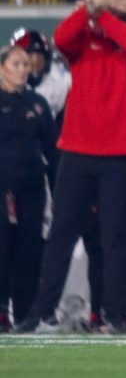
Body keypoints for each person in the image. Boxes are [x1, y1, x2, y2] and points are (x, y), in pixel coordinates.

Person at [16, 0, 126, 334]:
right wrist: (90, 7)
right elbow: (62, 38)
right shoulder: (85, 36)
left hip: (125, 155)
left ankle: (114, 317)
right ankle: (42, 312)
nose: (114, 1)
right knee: (61, 236)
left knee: (115, 240)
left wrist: (102, 10)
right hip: (78, 150)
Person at [0, 44, 55, 330]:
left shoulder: (37, 103)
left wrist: (57, 189)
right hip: (2, 188)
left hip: (32, 189)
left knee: (29, 251)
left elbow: (52, 149)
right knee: (2, 249)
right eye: (17, 64)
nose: (24, 69)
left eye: (25, 64)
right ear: (1, 67)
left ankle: (25, 313)